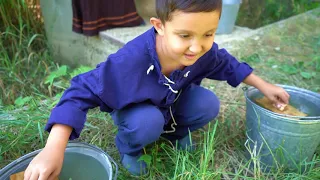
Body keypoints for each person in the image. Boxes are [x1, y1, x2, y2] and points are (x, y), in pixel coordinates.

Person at [24, 0, 290, 178]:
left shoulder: (201, 52)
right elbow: (81, 90)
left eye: (208, 34)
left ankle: (175, 134)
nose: (197, 47)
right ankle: (131, 148)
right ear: (159, 26)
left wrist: (263, 85)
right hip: (138, 110)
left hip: (172, 101)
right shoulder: (130, 61)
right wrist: (54, 147)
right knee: (146, 122)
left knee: (208, 103)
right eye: (185, 35)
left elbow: (226, 63)